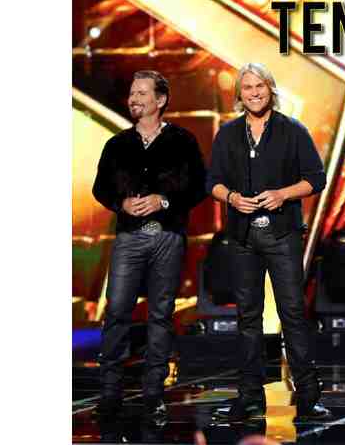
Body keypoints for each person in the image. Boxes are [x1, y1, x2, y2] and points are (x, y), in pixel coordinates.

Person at [207, 63, 331, 421]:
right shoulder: (228, 133)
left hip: (283, 235)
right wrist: (232, 198)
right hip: (242, 237)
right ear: (239, 94)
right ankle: (249, 397)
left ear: (270, 89)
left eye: (260, 86)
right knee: (248, 317)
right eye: (247, 87)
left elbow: (316, 178)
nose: (254, 93)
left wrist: (282, 194)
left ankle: (308, 397)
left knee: (293, 313)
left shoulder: (293, 130)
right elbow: (212, 182)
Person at [92, 70, 207, 420]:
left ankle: (153, 393)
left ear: (160, 100)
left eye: (142, 93)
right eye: (132, 93)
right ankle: (109, 393)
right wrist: (121, 204)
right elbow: (100, 188)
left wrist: (164, 201)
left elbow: (198, 187)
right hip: (129, 238)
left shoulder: (183, 141)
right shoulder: (117, 145)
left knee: (160, 314)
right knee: (117, 311)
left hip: (167, 237)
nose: (134, 99)